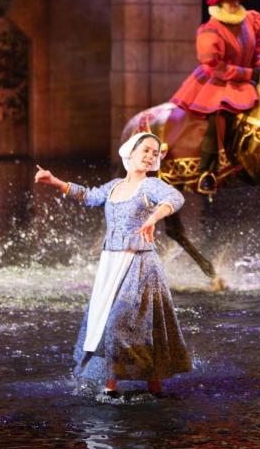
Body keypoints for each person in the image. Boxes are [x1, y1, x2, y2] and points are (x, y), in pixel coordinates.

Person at [34, 133, 190, 399]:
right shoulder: (115, 186)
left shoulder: (150, 186)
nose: (151, 156)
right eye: (147, 150)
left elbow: (175, 198)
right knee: (106, 320)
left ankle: (137, 383)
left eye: (155, 153)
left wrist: (152, 219)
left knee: (123, 320)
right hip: (111, 262)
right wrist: (53, 181)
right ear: (130, 152)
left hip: (139, 263)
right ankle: (121, 384)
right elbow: (88, 196)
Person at [170, 0, 260, 194]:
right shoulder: (211, 30)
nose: (234, 3)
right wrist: (249, 74)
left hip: (248, 78)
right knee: (220, 117)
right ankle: (207, 172)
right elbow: (215, 66)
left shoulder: (252, 20)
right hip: (218, 82)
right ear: (220, 0)